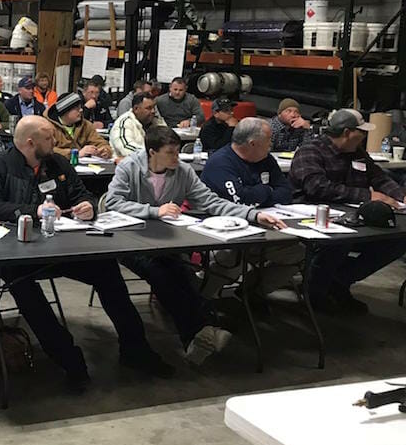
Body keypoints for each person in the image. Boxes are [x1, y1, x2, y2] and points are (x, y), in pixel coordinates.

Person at [0, 116, 173, 387]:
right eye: (48, 138)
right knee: (25, 289)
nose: (55, 141)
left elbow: (82, 193)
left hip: (63, 245)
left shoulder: (57, 163)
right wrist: (30, 211)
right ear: (30, 142)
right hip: (16, 250)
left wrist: (87, 206)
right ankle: (68, 359)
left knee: (107, 271)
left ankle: (135, 349)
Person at [106, 126, 286, 364]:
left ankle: (197, 335)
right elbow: (112, 202)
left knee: (179, 272)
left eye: (177, 152)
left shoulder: (182, 171)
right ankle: (202, 329)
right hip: (130, 241)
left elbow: (211, 201)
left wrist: (252, 215)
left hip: (166, 241)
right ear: (152, 152)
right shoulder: (129, 168)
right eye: (170, 152)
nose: (176, 157)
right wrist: (153, 211)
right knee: (161, 274)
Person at [289, 108, 406, 313]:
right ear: (347, 133)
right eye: (361, 131)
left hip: (355, 215)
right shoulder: (310, 151)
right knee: (339, 243)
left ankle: (338, 282)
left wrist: (400, 195)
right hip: (316, 215)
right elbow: (317, 187)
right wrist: (367, 196)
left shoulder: (358, 153)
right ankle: (315, 293)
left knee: (397, 240)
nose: (364, 135)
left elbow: (379, 177)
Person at [200, 117, 304, 300]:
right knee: (231, 258)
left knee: (299, 252)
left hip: (267, 228)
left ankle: (252, 293)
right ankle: (199, 300)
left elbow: (286, 193)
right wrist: (266, 190)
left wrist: (257, 195)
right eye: (268, 140)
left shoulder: (266, 159)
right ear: (253, 143)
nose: (271, 144)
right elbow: (239, 201)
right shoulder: (221, 163)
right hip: (226, 235)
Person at [45, 91, 112, 160]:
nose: (81, 110)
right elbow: (47, 149)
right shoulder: (48, 127)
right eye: (76, 108)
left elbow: (100, 142)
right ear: (65, 111)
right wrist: (75, 153)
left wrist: (104, 150)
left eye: (80, 107)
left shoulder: (86, 125)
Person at [110, 93, 166, 157]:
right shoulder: (124, 122)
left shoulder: (157, 121)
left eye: (154, 108)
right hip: (127, 164)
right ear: (136, 109)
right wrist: (153, 154)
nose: (153, 111)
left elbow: (168, 141)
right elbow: (126, 148)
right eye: (149, 108)